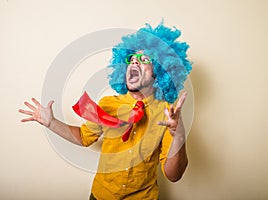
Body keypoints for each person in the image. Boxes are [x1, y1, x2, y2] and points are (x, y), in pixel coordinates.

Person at [19, 22, 192, 200]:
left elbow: (173, 175)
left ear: (160, 71)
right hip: (101, 196)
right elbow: (84, 137)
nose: (135, 63)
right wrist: (51, 123)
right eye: (131, 60)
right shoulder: (108, 104)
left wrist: (178, 135)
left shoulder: (167, 114)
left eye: (144, 60)